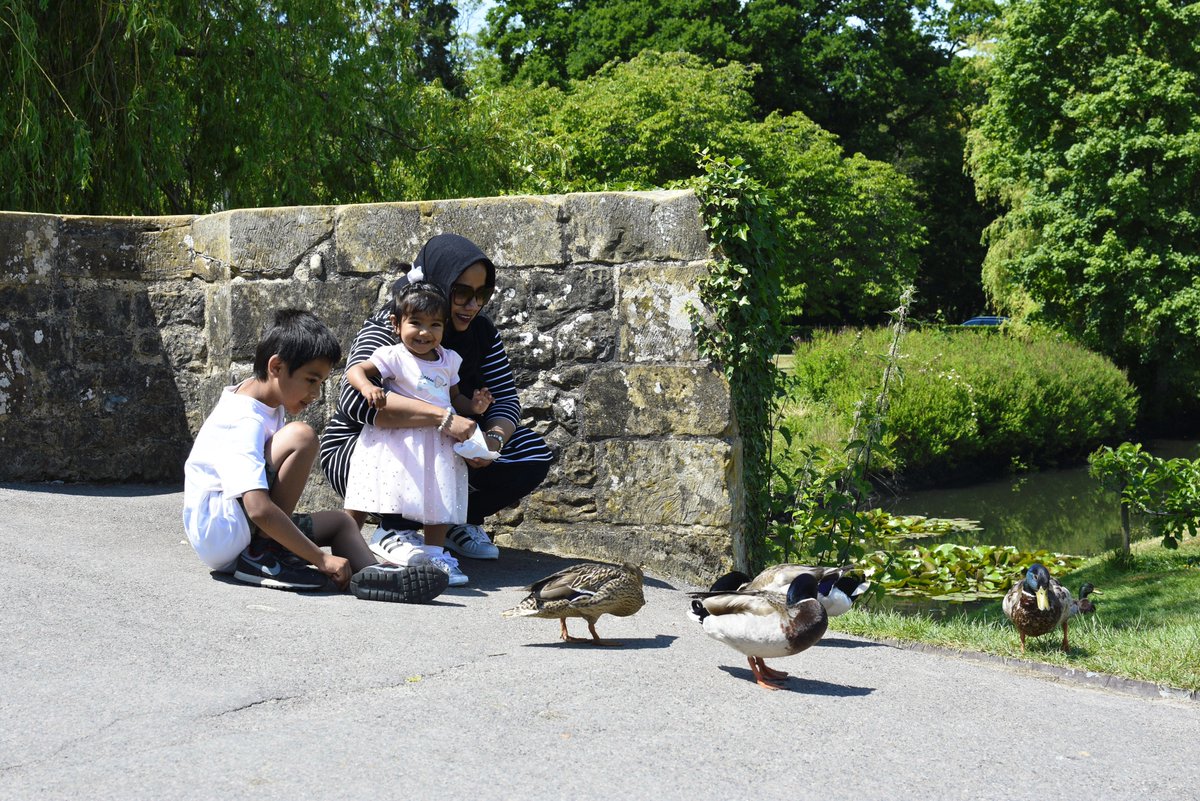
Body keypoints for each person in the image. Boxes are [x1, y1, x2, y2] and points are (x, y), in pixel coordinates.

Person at [181, 308, 448, 603]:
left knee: (342, 523)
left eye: (320, 383)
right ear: (276, 367)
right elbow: (257, 508)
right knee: (302, 436)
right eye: (311, 380)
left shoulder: (267, 398)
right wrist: (321, 559)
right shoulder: (244, 418)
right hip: (225, 532)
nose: (316, 394)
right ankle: (265, 553)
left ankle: (376, 577)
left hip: (238, 527)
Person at [320, 233, 553, 566]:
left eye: (482, 294)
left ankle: (452, 525)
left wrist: (492, 441)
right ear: (439, 284)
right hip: (365, 450)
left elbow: (505, 401)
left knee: (531, 452)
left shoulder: (481, 333)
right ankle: (392, 529)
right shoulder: (396, 325)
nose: (472, 305)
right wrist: (442, 419)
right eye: (462, 293)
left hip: (444, 445)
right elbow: (357, 403)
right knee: (417, 447)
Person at [341, 281, 494, 586]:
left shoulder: (449, 360)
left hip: (437, 441)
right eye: (416, 323)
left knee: (438, 496)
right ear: (396, 325)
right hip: (397, 439)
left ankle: (434, 553)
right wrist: (369, 387)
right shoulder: (393, 356)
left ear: (444, 328)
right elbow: (354, 371)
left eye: (435, 325)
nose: (425, 332)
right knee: (370, 490)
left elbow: (453, 398)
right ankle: (345, 544)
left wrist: (474, 406)